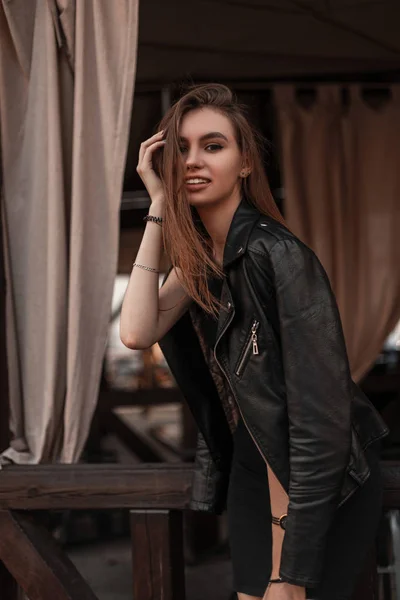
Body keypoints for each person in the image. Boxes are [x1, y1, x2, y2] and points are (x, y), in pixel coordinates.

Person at [120, 83, 389, 600]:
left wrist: (289, 572)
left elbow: (315, 423)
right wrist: (157, 204)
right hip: (253, 464)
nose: (193, 160)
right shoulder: (201, 259)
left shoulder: (278, 255)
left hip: (314, 478)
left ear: (245, 163)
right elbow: (136, 331)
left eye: (213, 146)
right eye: (181, 148)